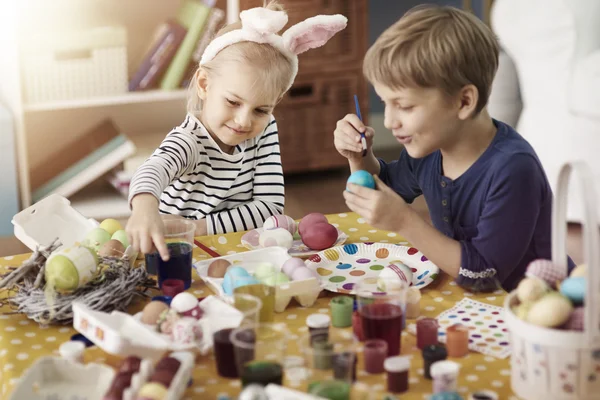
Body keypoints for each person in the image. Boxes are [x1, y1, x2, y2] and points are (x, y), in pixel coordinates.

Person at [334, 5, 573, 292]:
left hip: (535, 308)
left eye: (405, 106)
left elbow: (484, 275)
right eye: (385, 103)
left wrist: (405, 222)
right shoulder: (430, 150)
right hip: (474, 296)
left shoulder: (513, 169)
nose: (388, 121)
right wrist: (359, 156)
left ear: (463, 102)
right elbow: (382, 192)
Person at [127, 2, 347, 260]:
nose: (243, 121)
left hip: (228, 249)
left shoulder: (265, 131)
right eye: (233, 102)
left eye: (261, 110)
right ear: (204, 84)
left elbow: (269, 209)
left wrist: (196, 227)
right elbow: (152, 170)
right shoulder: (189, 139)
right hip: (178, 253)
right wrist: (144, 207)